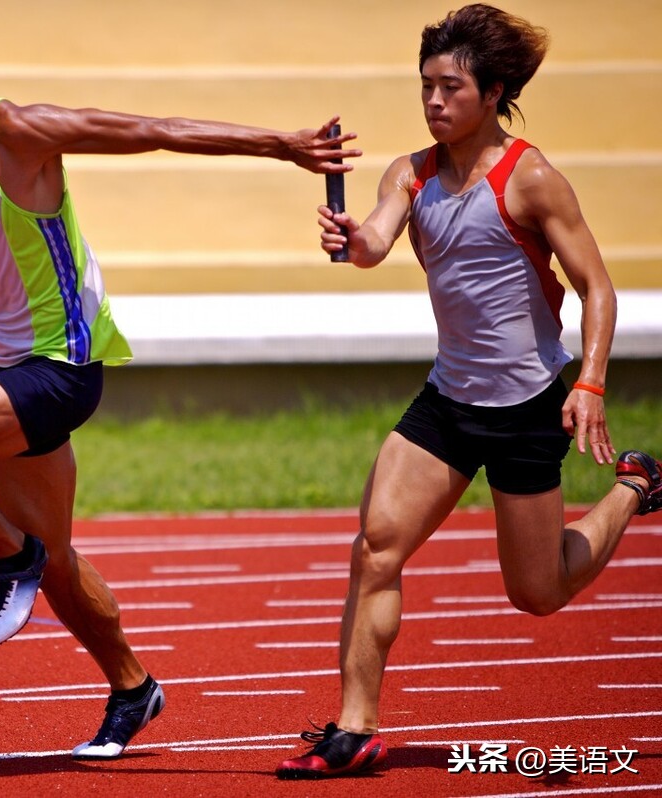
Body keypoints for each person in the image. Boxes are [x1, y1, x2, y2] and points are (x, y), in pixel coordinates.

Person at [0, 15, 360, 760]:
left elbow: (155, 129)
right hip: (6, 369)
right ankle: (132, 686)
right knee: (59, 561)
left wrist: (280, 145)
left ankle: (10, 556)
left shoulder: (17, 133)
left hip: (64, 366)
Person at [276, 3, 662, 780]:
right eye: (426, 86)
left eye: (450, 88)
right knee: (376, 547)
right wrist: (353, 242)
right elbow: (376, 241)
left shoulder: (532, 178)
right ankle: (355, 730)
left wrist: (588, 382)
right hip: (447, 405)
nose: (433, 102)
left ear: (492, 94)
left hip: (528, 408)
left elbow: (598, 289)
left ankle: (633, 486)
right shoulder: (409, 173)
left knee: (539, 593)